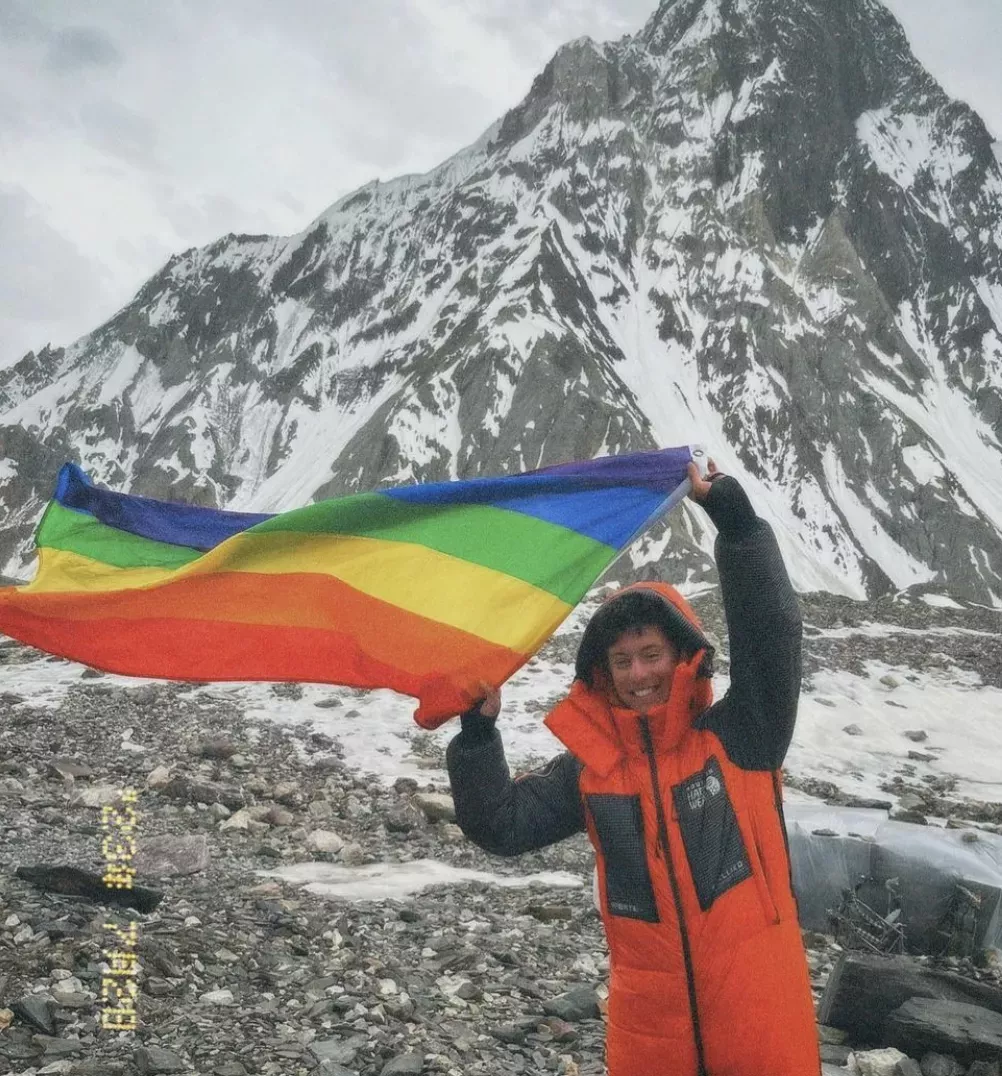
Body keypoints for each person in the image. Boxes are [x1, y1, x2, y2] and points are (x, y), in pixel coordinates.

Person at [446, 460, 820, 1076]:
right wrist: (479, 734)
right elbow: (501, 825)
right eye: (622, 661)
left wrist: (736, 523)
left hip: (761, 1023)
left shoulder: (742, 736)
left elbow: (771, 632)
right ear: (604, 675)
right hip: (650, 1035)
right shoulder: (594, 770)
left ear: (682, 657)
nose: (639, 673)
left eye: (651, 654)